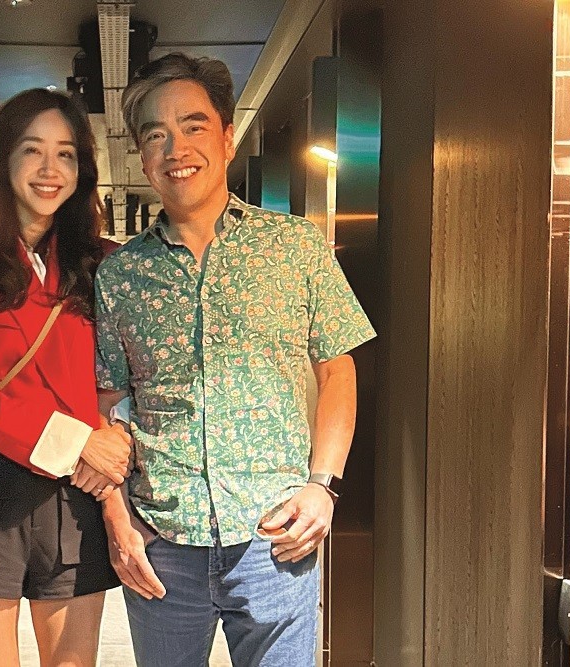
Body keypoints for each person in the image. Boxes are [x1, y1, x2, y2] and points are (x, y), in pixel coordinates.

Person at [93, 53, 377, 665]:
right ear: (141, 156)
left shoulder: (295, 247)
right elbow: (106, 404)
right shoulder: (120, 275)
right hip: (161, 540)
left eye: (193, 126)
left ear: (226, 137)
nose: (176, 148)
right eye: (155, 135)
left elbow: (338, 370)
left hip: (275, 536)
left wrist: (323, 487)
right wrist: (117, 518)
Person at [0, 88, 131, 667]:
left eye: (66, 154)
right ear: (1, 159)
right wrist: (80, 440)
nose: (49, 169)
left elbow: (128, 377)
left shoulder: (107, 263)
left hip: (75, 496)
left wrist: (119, 436)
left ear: (82, 169)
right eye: (32, 150)